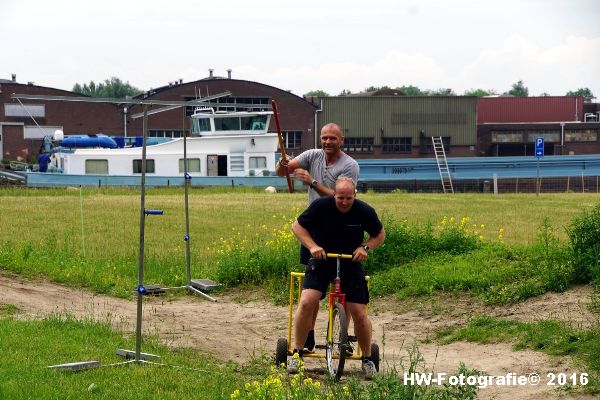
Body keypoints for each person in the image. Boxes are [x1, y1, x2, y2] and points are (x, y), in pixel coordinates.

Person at [287, 177, 386, 379]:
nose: (344, 202)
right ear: (334, 194)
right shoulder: (320, 206)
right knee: (307, 302)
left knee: (359, 312)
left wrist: (365, 247)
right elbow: (297, 226)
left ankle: (367, 358)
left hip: (350, 262)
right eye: (340, 197)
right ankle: (297, 353)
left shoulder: (364, 210)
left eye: (348, 198)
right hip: (322, 259)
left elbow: (379, 234)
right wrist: (313, 246)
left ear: (355, 196)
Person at [275, 122, 360, 353]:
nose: (327, 142)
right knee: (313, 289)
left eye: (332, 138)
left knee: (345, 289)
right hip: (315, 229)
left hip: (342, 228)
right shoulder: (312, 155)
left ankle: (342, 335)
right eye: (324, 138)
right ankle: (308, 335)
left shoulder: (350, 165)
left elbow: (341, 196)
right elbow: (284, 170)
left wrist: (312, 181)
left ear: (341, 140)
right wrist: (282, 164)